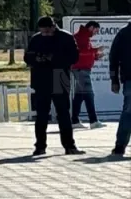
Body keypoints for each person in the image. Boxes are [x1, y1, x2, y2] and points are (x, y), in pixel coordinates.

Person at [24, 17, 82, 155]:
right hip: (41, 79)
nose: (44, 34)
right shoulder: (36, 39)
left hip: (59, 77)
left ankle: (69, 145)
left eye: (46, 31)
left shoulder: (66, 37)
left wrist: (53, 58)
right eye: (42, 31)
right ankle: (40, 146)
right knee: (42, 114)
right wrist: (37, 58)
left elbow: (74, 57)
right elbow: (27, 57)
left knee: (63, 113)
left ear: (53, 27)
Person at [70, 21, 103, 128]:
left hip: (81, 68)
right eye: (96, 31)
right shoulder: (81, 36)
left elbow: (85, 53)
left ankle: (74, 120)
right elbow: (79, 52)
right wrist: (95, 50)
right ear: (91, 27)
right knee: (89, 94)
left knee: (79, 95)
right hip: (81, 69)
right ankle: (93, 120)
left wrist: (95, 56)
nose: (96, 33)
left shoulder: (84, 36)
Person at [110, 19, 131, 157]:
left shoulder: (123, 33)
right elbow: (114, 58)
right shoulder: (124, 33)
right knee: (128, 112)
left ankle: (120, 145)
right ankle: (120, 145)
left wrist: (115, 80)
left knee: (128, 112)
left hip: (129, 78)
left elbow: (113, 58)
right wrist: (114, 80)